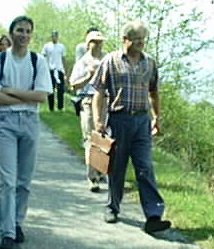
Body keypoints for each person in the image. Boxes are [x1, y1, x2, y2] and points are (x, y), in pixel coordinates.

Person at [91, 20, 171, 234]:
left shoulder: (150, 63)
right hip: (119, 120)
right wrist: (98, 120)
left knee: (145, 167)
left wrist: (156, 117)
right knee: (116, 167)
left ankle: (153, 215)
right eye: (136, 39)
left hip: (142, 122)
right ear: (125, 39)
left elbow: (154, 92)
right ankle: (112, 207)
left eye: (143, 39)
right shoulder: (110, 61)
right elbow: (99, 91)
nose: (140, 43)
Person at [0, 16, 52, 249]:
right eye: (19, 30)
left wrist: (12, 91)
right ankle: (7, 233)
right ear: (11, 32)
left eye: (27, 31)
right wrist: (26, 96)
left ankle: (17, 222)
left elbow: (42, 95)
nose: (23, 35)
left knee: (24, 180)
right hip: (6, 122)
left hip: (30, 121)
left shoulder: (37, 61)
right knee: (8, 180)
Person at [69, 30, 107, 192]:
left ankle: (100, 170)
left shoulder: (107, 60)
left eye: (100, 42)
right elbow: (73, 85)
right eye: (94, 42)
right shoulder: (82, 62)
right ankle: (92, 178)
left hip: (105, 100)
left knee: (103, 137)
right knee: (91, 138)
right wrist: (88, 76)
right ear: (88, 44)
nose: (98, 45)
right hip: (88, 100)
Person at [42, 30, 67, 111]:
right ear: (51, 36)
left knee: (60, 90)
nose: (54, 37)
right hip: (50, 70)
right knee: (50, 89)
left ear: (57, 36)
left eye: (56, 36)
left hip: (59, 69)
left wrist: (65, 71)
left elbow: (63, 58)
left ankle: (60, 107)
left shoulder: (61, 46)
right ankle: (51, 107)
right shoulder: (47, 46)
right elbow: (43, 56)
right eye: (53, 36)